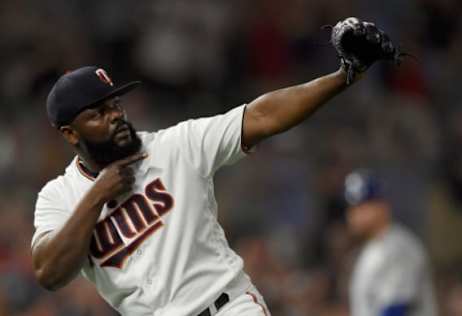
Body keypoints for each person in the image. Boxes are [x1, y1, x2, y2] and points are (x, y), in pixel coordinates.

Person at [31, 18, 397, 316]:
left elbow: (261, 115)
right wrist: (98, 195)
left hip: (226, 307)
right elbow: (49, 272)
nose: (113, 116)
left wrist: (341, 78)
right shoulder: (58, 198)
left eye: (115, 105)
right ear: (69, 133)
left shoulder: (174, 146)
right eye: (98, 113)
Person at [344, 170, 437, 316]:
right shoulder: (370, 250)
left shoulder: (399, 248)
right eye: (353, 208)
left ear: (383, 206)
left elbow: (395, 310)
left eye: (364, 206)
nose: (356, 214)